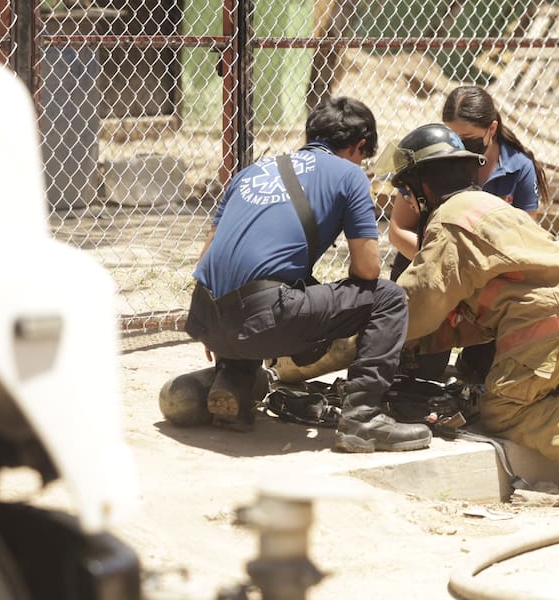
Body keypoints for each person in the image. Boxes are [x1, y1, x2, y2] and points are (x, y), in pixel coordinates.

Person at [387, 122, 559, 499]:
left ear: (422, 185)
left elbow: (418, 301)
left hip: (551, 317)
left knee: (503, 409)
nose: (405, 197)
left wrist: (358, 330)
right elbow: (474, 310)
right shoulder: (487, 207)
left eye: (405, 189)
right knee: (534, 397)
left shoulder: (450, 222)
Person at [184, 96, 431, 453]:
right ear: (359, 146)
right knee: (387, 297)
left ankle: (234, 383)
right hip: (260, 318)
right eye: (364, 155)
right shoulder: (349, 175)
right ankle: (361, 419)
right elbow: (368, 269)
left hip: (207, 315)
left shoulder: (250, 172)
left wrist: (218, 325)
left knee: (273, 283)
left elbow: (208, 257)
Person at [388, 85, 549, 381]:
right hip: (432, 269)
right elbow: (398, 230)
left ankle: (475, 360)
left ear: (492, 129)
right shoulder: (429, 157)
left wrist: (475, 275)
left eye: (470, 140)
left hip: (487, 280)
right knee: (418, 378)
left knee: (484, 378)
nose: (459, 149)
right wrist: (445, 266)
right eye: (453, 138)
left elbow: (523, 243)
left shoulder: (518, 167)